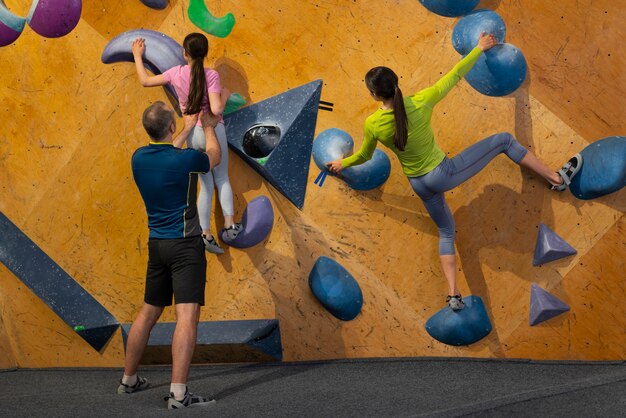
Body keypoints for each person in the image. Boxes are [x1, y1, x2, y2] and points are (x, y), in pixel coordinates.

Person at [327, 33, 581, 311]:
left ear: (374, 95)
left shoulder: (373, 124)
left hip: (419, 185)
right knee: (504, 141)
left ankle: (453, 295)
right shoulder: (421, 101)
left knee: (447, 232)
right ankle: (557, 179)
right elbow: (455, 75)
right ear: (397, 84)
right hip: (443, 174)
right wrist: (479, 48)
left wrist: (342, 164)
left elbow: (364, 155)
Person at [117, 101, 221, 409]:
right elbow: (212, 157)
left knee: (148, 312)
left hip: (157, 246)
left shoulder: (138, 158)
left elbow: (167, 153)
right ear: (171, 127)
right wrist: (209, 127)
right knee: (187, 316)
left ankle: (129, 379)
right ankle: (179, 395)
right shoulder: (186, 159)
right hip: (185, 245)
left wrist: (186, 128)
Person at [132, 32, 241, 255]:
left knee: (205, 185)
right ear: (205, 53)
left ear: (184, 53)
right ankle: (229, 226)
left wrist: (137, 54)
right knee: (221, 178)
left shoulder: (175, 73)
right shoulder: (211, 76)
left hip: (192, 133)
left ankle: (206, 234)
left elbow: (145, 81)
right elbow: (217, 109)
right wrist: (226, 95)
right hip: (212, 130)